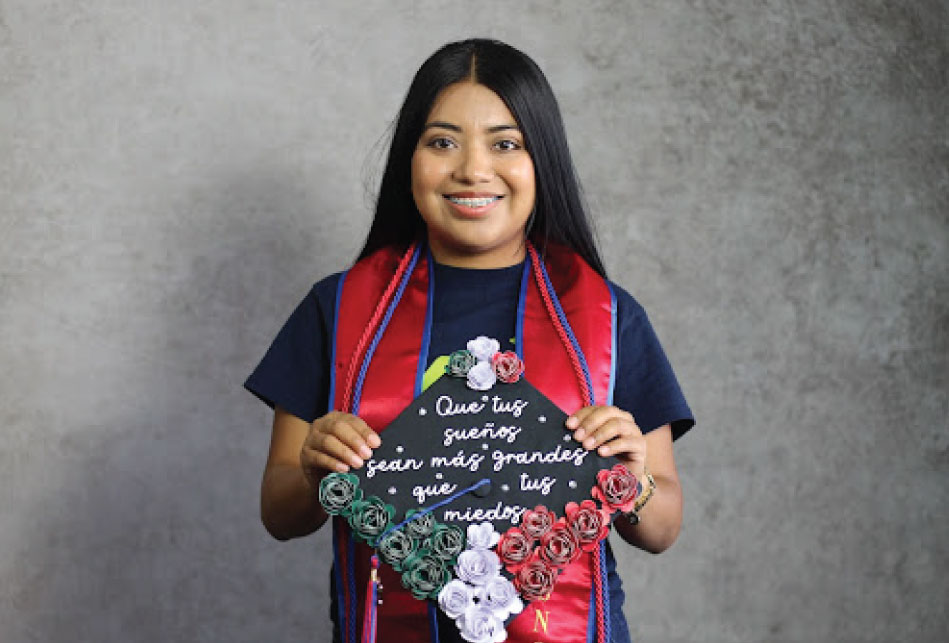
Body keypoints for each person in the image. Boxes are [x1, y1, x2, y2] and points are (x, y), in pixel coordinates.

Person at [245, 38, 694, 643]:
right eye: (442, 142)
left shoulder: (608, 317)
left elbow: (661, 529)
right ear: (411, 159)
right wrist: (312, 467)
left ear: (542, 161)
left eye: (505, 143)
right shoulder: (341, 309)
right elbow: (280, 513)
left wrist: (631, 482)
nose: (473, 169)